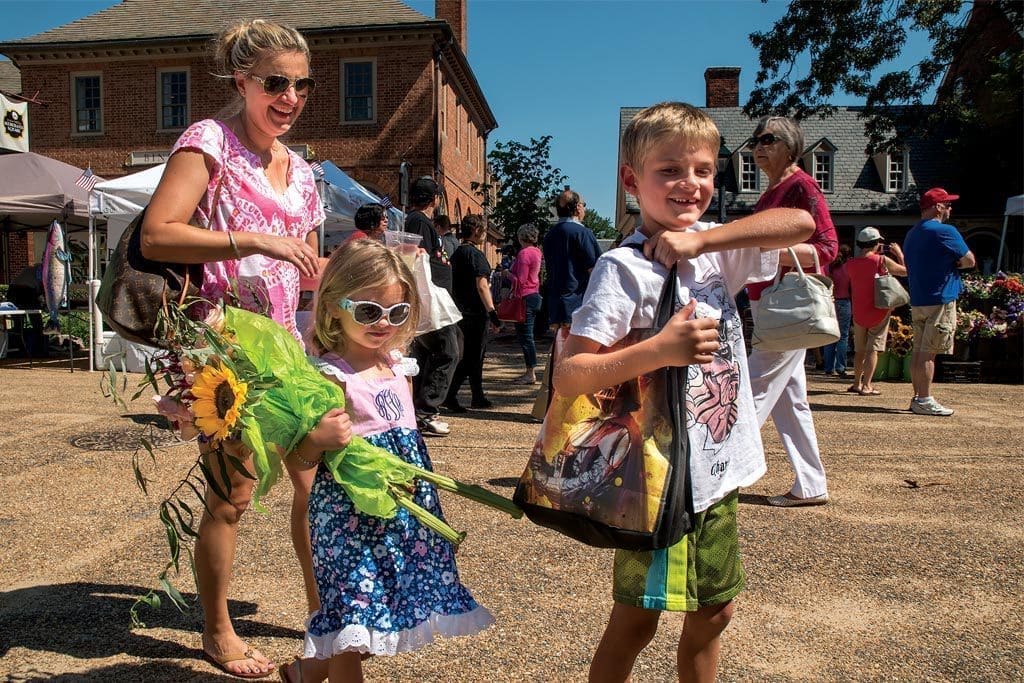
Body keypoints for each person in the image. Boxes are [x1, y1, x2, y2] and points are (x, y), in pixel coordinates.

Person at [556, 101, 814, 683]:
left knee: (715, 612)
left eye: (702, 170)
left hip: (718, 474)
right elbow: (571, 376)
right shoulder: (623, 270)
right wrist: (660, 350)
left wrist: (705, 241)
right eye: (669, 170)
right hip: (657, 479)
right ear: (631, 181)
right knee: (636, 620)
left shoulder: (716, 249)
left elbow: (802, 226)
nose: (689, 183)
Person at [140, 18, 324, 679]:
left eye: (302, 85)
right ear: (241, 79)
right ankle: (216, 627)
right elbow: (159, 234)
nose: (290, 97)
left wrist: (356, 277)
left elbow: (302, 268)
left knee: (318, 484)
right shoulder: (208, 143)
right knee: (232, 496)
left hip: (284, 349)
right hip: (218, 345)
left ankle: (322, 615)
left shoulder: (300, 171)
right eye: (276, 83)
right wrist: (253, 240)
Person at [280, 238, 492, 683]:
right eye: (368, 311)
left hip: (398, 514)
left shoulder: (399, 367)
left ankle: (305, 673)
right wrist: (317, 440)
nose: (383, 324)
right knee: (352, 627)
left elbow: (408, 444)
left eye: (396, 313)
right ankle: (318, 670)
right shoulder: (328, 376)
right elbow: (298, 460)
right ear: (335, 306)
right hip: (348, 522)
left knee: (375, 618)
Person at [744, 115, 839, 509]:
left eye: (768, 139)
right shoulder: (772, 192)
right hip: (770, 304)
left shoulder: (801, 185)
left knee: (749, 392)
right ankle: (811, 483)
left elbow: (827, 248)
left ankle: (713, 475)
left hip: (785, 307)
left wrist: (765, 252)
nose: (758, 146)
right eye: (755, 140)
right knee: (791, 400)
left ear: (791, 145)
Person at [904, 188, 975, 416]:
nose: (950, 208)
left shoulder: (912, 233)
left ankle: (918, 397)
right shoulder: (946, 231)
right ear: (938, 207)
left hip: (919, 299)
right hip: (940, 297)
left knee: (918, 351)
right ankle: (925, 399)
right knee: (929, 353)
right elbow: (969, 260)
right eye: (948, 204)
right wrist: (956, 265)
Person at [403, 177, 462, 436]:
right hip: (430, 301)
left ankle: (420, 408)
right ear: (435, 199)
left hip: (437, 300)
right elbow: (417, 262)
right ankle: (426, 411)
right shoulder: (418, 221)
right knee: (448, 350)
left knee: (436, 351)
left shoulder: (422, 222)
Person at [444, 214, 500, 411]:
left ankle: (478, 395)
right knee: (472, 357)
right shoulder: (476, 256)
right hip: (475, 313)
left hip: (459, 311)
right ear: (477, 230)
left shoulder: (457, 254)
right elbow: (482, 285)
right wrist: (492, 312)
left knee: (469, 355)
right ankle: (450, 395)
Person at [845, 227, 908, 395]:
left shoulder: (850, 263)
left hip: (858, 311)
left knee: (859, 349)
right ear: (875, 243)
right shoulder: (881, 260)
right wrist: (899, 254)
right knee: (873, 348)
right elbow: (905, 272)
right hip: (879, 310)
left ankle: (856, 383)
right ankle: (867, 385)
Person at [542, 188, 602, 327]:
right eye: (584, 205)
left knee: (561, 343)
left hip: (555, 302)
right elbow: (595, 270)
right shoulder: (582, 233)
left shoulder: (550, 235)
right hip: (577, 301)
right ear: (578, 207)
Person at [505, 224, 543, 384]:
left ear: (521, 237)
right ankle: (529, 371)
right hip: (534, 295)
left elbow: (520, 280)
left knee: (525, 336)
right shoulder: (537, 252)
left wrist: (507, 274)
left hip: (524, 297)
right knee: (527, 336)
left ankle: (530, 372)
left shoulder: (524, 253)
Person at [822, 244, 852, 378]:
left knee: (829, 335)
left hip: (830, 301)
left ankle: (828, 366)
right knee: (843, 336)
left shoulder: (829, 267)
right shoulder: (849, 268)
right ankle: (841, 366)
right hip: (844, 301)